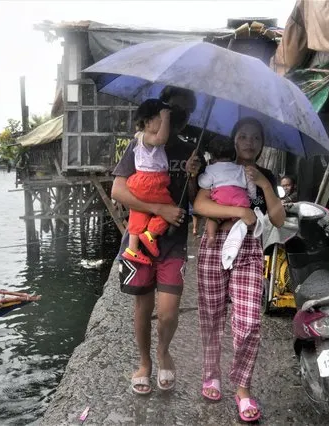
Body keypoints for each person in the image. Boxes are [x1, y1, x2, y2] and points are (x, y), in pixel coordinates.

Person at [111, 86, 202, 395]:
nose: (179, 115)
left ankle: (163, 350)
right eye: (174, 108)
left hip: (173, 241)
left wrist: (192, 176)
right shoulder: (141, 145)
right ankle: (144, 363)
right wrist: (158, 208)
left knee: (168, 312)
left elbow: (193, 201)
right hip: (141, 237)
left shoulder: (191, 151)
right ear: (162, 109)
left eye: (186, 111)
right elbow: (118, 191)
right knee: (142, 305)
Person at [193, 117, 285, 422]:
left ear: (261, 144)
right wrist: (239, 210)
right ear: (234, 139)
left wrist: (261, 183)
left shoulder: (267, 175)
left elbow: (279, 218)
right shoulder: (218, 169)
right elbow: (201, 205)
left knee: (248, 322)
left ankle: (243, 387)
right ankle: (211, 374)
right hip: (215, 243)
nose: (249, 142)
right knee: (211, 313)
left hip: (249, 247)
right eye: (243, 136)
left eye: (255, 138)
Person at [122, 99, 174, 266]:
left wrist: (163, 118)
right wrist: (166, 116)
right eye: (161, 120)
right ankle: (151, 233)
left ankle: (132, 248)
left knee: (138, 212)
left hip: (139, 181)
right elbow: (161, 139)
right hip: (152, 180)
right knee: (171, 208)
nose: (166, 124)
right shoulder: (149, 137)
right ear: (148, 122)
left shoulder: (138, 136)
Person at [198, 135, 256, 248]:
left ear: (212, 156)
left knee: (213, 218)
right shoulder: (242, 169)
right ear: (233, 154)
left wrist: (198, 176)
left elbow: (203, 183)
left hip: (220, 202)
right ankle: (249, 228)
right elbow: (251, 186)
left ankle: (211, 236)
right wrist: (251, 196)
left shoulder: (211, 169)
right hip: (240, 201)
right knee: (240, 221)